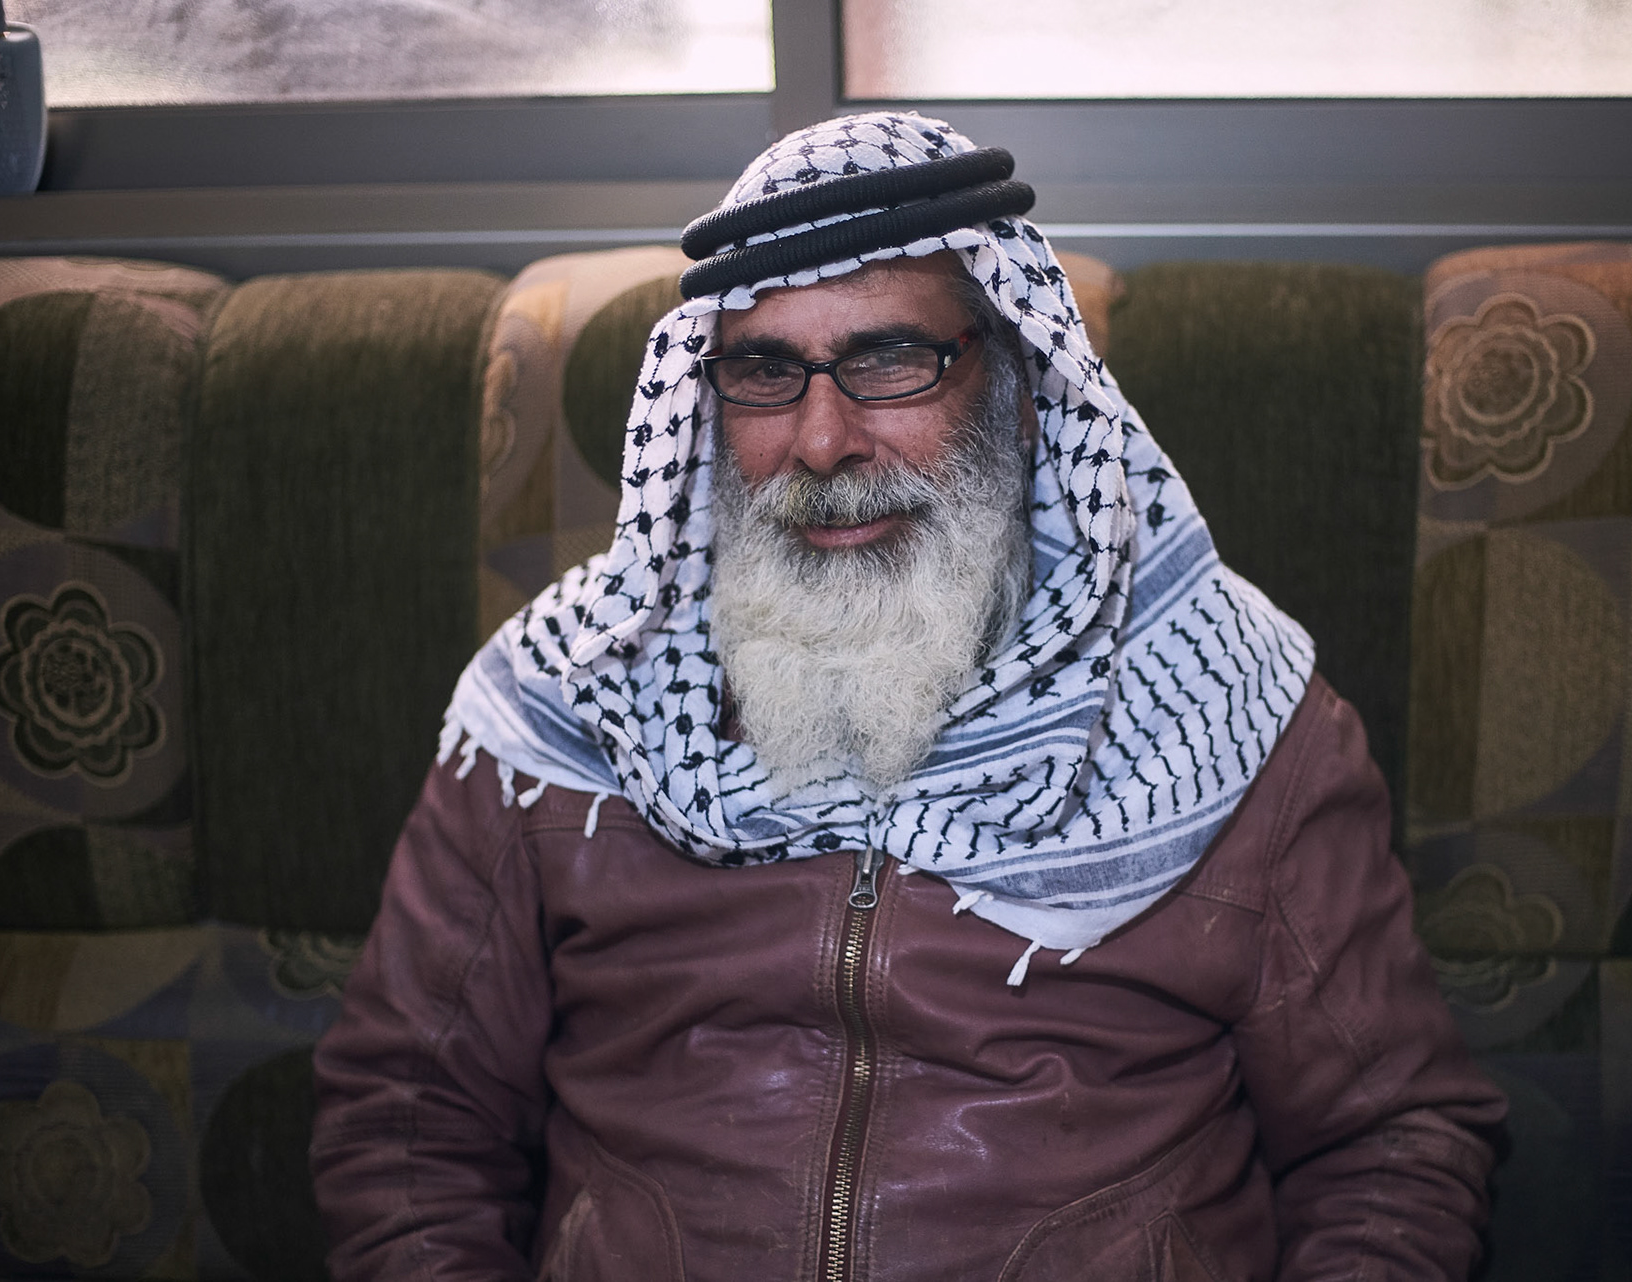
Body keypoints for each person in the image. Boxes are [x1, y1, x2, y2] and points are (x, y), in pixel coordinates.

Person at [310, 111, 1506, 1282]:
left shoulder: (1225, 707)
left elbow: (1391, 1145)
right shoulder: (565, 700)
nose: (822, 440)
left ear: (1020, 383)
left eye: (889, 360)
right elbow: (407, 1122)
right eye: (766, 372)